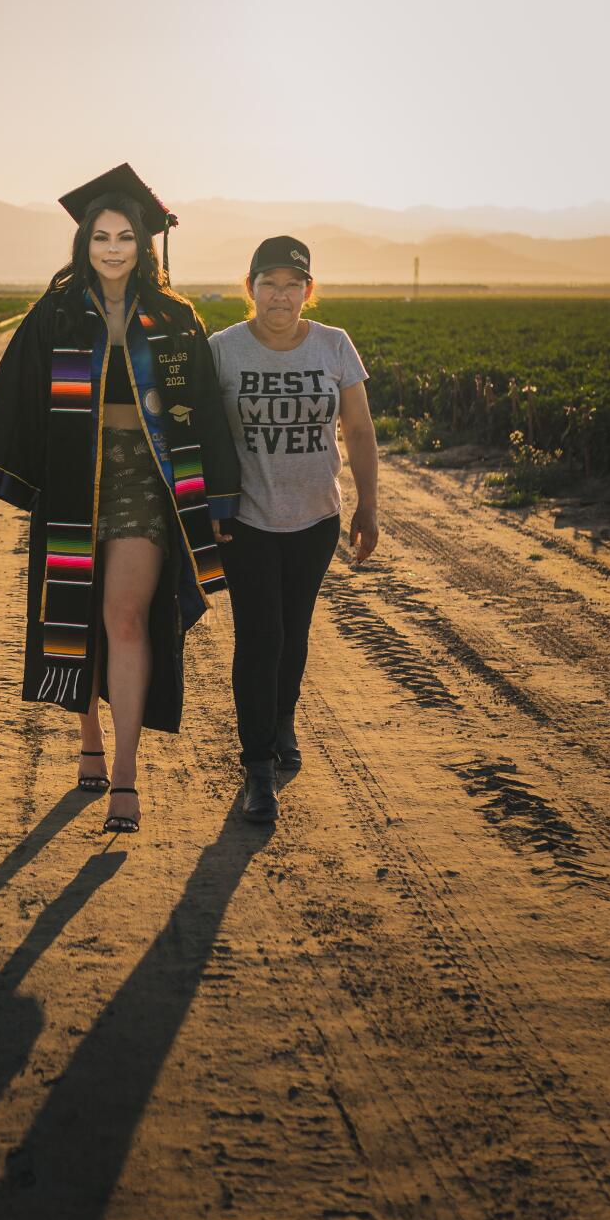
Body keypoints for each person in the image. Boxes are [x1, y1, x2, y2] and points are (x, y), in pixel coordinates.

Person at [0, 164, 240, 835]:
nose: (113, 247)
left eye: (125, 236)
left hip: (145, 482)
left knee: (125, 617)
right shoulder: (55, 313)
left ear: (144, 243)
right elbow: (11, 398)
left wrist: (221, 502)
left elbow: (203, 408)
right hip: (70, 481)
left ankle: (124, 771)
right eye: (101, 236)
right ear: (84, 242)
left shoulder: (175, 319)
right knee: (78, 615)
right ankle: (87, 733)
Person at [209, 235, 379, 824]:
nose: (279, 296)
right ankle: (258, 768)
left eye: (291, 284)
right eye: (267, 283)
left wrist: (368, 505)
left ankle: (283, 718)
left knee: (295, 632)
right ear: (249, 288)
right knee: (261, 637)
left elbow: (357, 430)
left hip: (315, 518)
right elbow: (202, 436)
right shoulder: (223, 350)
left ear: (308, 291)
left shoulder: (335, 346)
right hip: (248, 519)